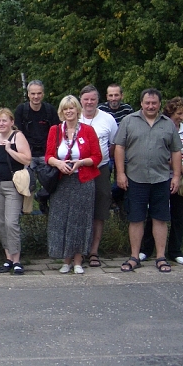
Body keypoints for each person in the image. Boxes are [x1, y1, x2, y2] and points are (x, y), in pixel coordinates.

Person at [114, 88, 182, 274]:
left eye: (154, 103)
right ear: (141, 103)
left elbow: (176, 151)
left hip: (161, 179)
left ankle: (161, 257)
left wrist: (176, 176)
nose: (150, 106)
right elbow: (119, 147)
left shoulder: (168, 124)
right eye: (147, 103)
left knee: (160, 219)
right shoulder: (129, 121)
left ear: (160, 104)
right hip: (135, 178)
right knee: (136, 219)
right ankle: (135, 257)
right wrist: (120, 173)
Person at [45, 96, 102, 274]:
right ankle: (65, 260)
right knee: (61, 220)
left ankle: (78, 260)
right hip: (62, 182)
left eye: (72, 108)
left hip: (82, 181)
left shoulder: (88, 130)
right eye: (65, 109)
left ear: (78, 110)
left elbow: (97, 157)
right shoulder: (55, 130)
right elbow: (48, 156)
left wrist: (81, 162)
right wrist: (58, 163)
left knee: (79, 221)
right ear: (61, 112)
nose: (69, 112)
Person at [140, 97, 183, 265]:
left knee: (179, 215)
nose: (181, 117)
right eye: (179, 113)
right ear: (171, 112)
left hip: (182, 178)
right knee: (156, 214)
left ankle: (175, 250)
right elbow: (161, 154)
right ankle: (147, 249)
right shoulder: (162, 128)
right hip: (162, 176)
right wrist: (179, 168)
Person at [78, 85, 117, 268]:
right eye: (86, 99)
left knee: (99, 211)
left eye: (92, 99)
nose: (89, 102)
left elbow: (114, 144)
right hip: (77, 170)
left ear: (98, 100)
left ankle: (94, 251)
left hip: (100, 169)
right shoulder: (73, 116)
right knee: (79, 211)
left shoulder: (108, 119)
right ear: (80, 100)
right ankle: (78, 250)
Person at [0, 108, 32, 274]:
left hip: (13, 185)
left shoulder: (17, 137)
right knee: (0, 222)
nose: (1, 124)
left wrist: (10, 150)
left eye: (4, 120)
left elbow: (27, 159)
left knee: (11, 222)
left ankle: (17, 260)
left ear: (11, 122)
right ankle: (8, 257)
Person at [14, 80, 59, 213]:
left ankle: (44, 199)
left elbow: (57, 132)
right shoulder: (22, 110)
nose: (36, 97)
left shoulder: (49, 110)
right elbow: (17, 133)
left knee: (53, 181)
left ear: (43, 94)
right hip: (28, 153)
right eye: (33, 93)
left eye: (39, 93)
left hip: (46, 153)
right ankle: (25, 211)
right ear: (28, 94)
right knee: (26, 182)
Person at [98, 83, 134, 208]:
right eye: (111, 95)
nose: (114, 98)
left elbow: (132, 130)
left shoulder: (128, 110)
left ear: (121, 95)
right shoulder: (100, 109)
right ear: (107, 96)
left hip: (123, 149)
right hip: (104, 150)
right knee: (105, 171)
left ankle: (116, 197)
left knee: (124, 175)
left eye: (116, 95)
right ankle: (107, 198)